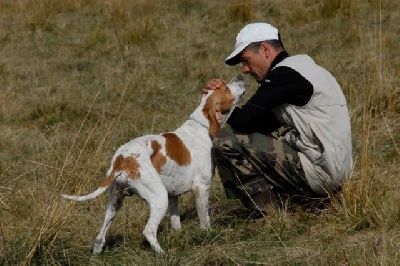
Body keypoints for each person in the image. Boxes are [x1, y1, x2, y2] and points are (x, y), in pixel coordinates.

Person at [204, 22, 352, 212]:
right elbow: (261, 126)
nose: (245, 69)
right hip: (333, 168)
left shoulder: (284, 74)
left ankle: (267, 212)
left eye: (246, 60)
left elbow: (244, 122)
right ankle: (303, 200)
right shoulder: (302, 69)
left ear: (265, 49)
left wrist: (218, 102)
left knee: (224, 140)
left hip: (323, 172)